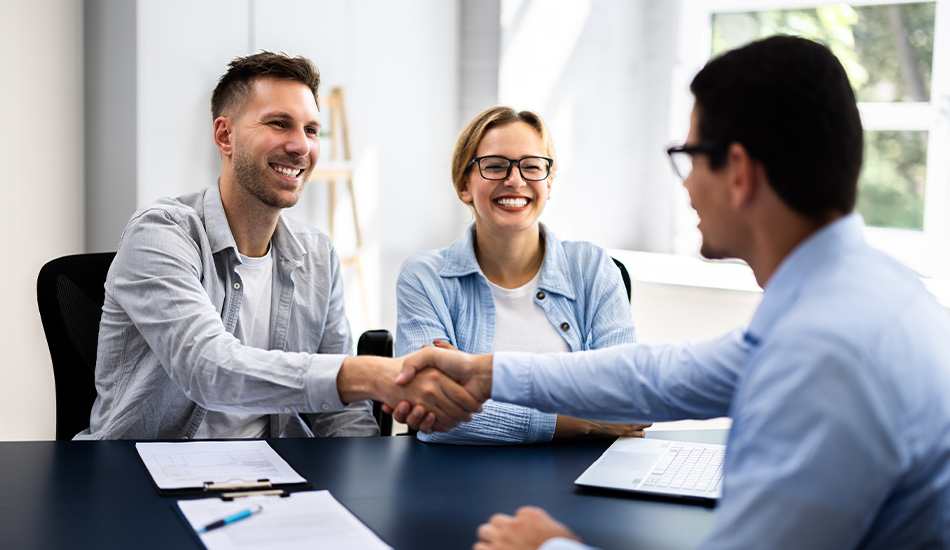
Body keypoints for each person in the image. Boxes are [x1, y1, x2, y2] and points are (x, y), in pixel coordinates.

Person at [394, 36, 950, 549]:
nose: (683, 183)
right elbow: (663, 374)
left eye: (689, 157)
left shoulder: (828, 350)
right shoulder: (867, 293)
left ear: (738, 172)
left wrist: (551, 547)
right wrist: (484, 372)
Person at [76, 52, 479, 440]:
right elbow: (208, 369)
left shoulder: (318, 255)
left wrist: (363, 485)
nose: (301, 146)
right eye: (279, 124)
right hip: (143, 478)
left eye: (310, 130)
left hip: (274, 479)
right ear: (225, 135)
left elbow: (342, 415)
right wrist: (372, 375)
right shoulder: (161, 233)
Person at [395, 106, 649, 444]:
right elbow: (435, 412)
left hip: (580, 478)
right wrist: (583, 420)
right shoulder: (425, 278)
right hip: (460, 480)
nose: (515, 180)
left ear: (549, 182)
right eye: (496, 166)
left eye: (531, 166)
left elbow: (625, 398)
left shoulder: (594, 267)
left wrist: (476, 392)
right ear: (464, 185)